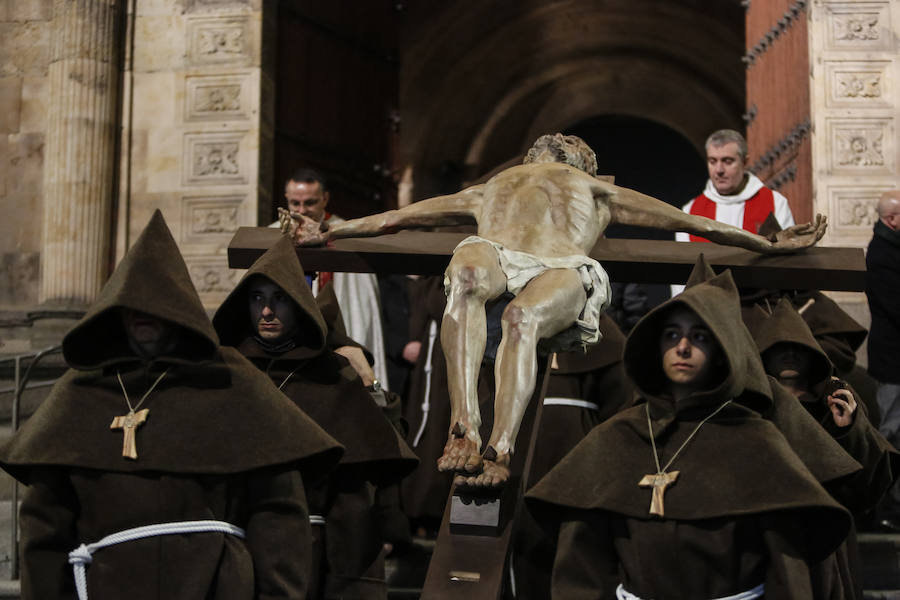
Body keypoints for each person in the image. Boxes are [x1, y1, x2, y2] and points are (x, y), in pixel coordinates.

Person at [286, 132, 828, 487]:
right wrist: (330, 229)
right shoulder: (491, 186)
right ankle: (464, 427)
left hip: (560, 266)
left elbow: (686, 223)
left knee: (522, 319)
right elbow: (398, 217)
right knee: (468, 274)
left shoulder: (591, 187)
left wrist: (765, 245)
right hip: (497, 254)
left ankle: (498, 448)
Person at [0, 211, 343, 599]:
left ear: (176, 307)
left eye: (155, 303)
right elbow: (44, 528)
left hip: (216, 587)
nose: (142, 315)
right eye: (131, 304)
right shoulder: (80, 393)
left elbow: (277, 515)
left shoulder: (235, 385)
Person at [525, 260, 850, 599]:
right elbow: (582, 564)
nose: (682, 347)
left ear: (721, 350)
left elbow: (788, 572)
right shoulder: (617, 437)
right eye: (672, 335)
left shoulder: (756, 441)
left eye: (698, 337)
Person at [212, 236, 418, 599]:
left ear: (298, 305)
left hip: (313, 544)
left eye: (279, 300)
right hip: (235, 538)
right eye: (257, 298)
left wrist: (369, 384)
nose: (266, 312)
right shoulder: (227, 371)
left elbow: (375, 463)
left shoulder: (330, 375)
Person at [748, 297, 897, 599]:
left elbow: (866, 483)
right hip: (769, 533)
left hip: (828, 538)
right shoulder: (752, 405)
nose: (790, 354)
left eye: (798, 348)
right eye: (780, 348)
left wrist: (847, 430)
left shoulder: (834, 401)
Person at [281, 167, 390, 389]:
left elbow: (362, 309)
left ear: (325, 199)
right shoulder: (272, 235)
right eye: (295, 203)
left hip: (337, 339)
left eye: (310, 203)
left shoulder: (347, 237)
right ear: (286, 200)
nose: (302, 210)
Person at [865, 190, 900, 528]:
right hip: (893, 361)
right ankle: (888, 508)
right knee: (892, 430)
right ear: (892, 219)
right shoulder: (881, 254)